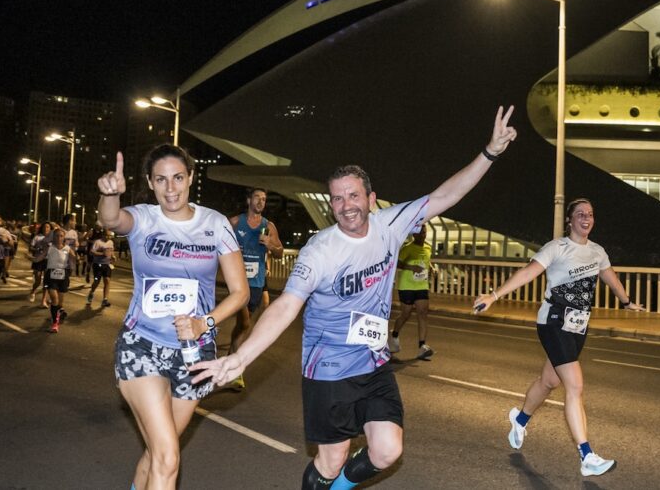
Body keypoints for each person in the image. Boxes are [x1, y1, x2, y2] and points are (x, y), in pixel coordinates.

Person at [191, 106, 518, 490]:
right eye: (337, 199)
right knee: (331, 461)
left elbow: (446, 195)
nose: (346, 205)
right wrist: (239, 358)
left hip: (372, 361)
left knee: (387, 451)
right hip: (328, 368)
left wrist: (490, 153)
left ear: (371, 198)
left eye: (353, 195)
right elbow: (285, 306)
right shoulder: (320, 250)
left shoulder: (391, 225)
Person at [97, 144, 249, 490]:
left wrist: (204, 323)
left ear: (191, 178)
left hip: (194, 356)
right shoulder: (144, 218)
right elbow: (111, 219)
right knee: (167, 456)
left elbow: (241, 293)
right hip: (142, 347)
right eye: (161, 180)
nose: (170, 188)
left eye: (178, 178)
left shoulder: (215, 224)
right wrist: (110, 195)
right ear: (151, 183)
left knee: (156, 455)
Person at [473, 198, 644, 478]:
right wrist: (494, 296)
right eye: (580, 214)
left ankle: (521, 418)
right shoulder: (557, 248)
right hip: (553, 321)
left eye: (590, 214)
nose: (586, 218)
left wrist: (626, 302)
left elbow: (610, 277)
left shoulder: (598, 252)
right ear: (570, 219)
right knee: (574, 386)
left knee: (549, 381)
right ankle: (587, 455)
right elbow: (529, 272)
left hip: (578, 326)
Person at [226, 187, 285, 391]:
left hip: (257, 283)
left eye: (264, 199)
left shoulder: (268, 226)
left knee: (244, 326)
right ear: (249, 199)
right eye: (257, 198)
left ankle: (231, 354)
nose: (261, 202)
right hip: (238, 283)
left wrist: (271, 245)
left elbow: (279, 253)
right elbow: (219, 246)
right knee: (243, 322)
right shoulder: (235, 223)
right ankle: (236, 371)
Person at [389, 225, 435, 360]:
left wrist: (431, 267)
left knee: (423, 313)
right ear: (414, 235)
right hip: (407, 285)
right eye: (420, 233)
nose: (423, 235)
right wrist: (411, 267)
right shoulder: (407, 248)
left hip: (422, 285)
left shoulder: (428, 247)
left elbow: (426, 260)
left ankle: (422, 346)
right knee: (406, 314)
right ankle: (394, 335)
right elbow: (397, 263)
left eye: (425, 232)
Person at [44, 228, 76, 332]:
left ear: (64, 238)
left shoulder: (67, 248)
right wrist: (32, 258)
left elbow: (74, 258)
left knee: (60, 304)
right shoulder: (49, 247)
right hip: (51, 275)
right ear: (53, 237)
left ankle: (58, 313)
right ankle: (54, 323)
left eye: (61, 236)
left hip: (63, 276)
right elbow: (40, 257)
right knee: (54, 300)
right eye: (57, 235)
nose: (59, 238)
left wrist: (77, 259)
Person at [86, 228, 116, 308]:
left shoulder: (110, 242)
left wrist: (113, 256)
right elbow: (91, 252)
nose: (109, 237)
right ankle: (91, 292)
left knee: (107, 280)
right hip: (98, 264)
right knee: (97, 281)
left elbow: (111, 251)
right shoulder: (97, 242)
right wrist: (102, 253)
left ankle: (105, 299)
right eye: (107, 235)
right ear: (103, 235)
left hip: (107, 264)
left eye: (110, 236)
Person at [27, 222, 53, 304]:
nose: (46, 229)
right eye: (44, 227)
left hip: (48, 260)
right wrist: (37, 249)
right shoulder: (37, 237)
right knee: (38, 280)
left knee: (46, 281)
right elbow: (30, 247)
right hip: (38, 259)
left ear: (50, 229)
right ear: (42, 228)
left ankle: (43, 300)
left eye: (48, 227)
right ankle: (33, 291)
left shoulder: (52, 238)